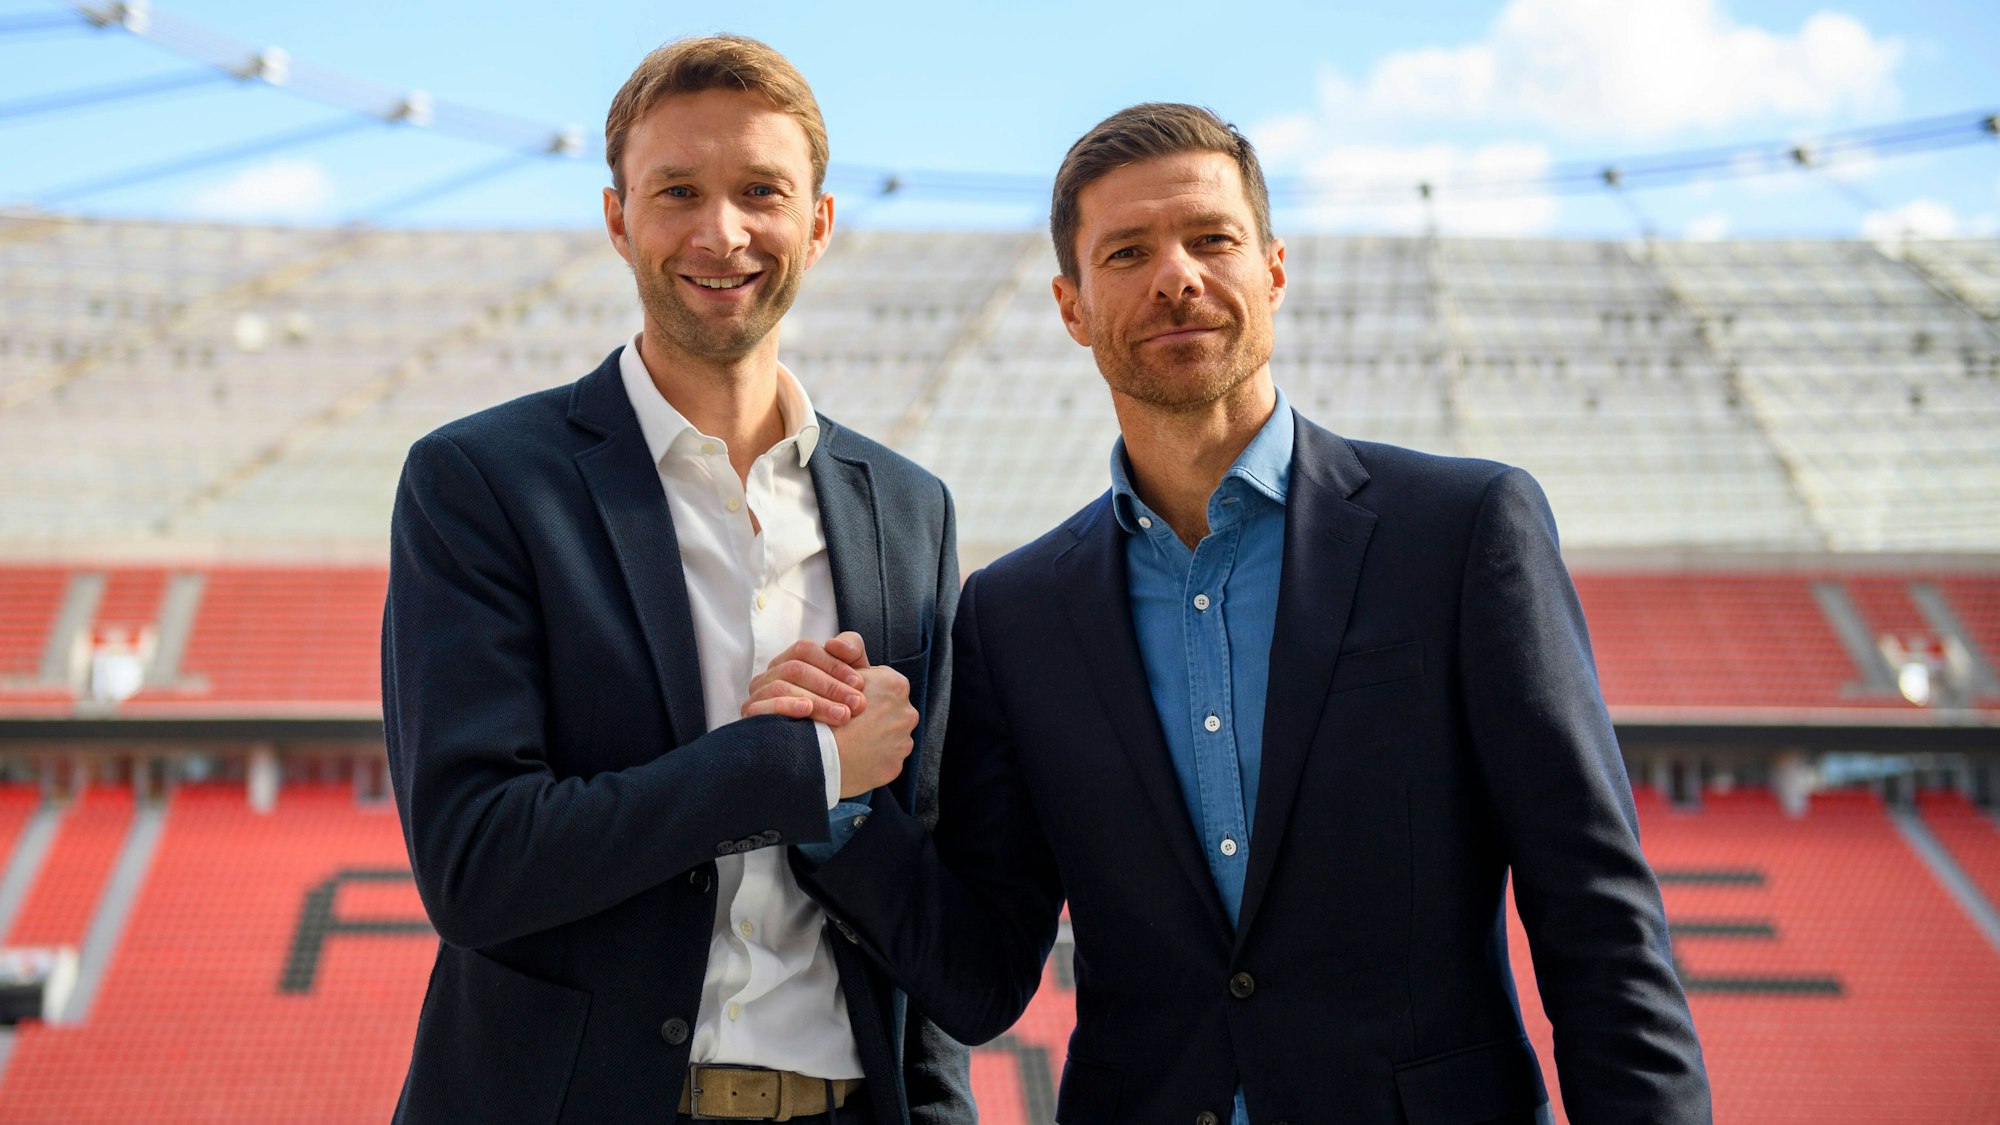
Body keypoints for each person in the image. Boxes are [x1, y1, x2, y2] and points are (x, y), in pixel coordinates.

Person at [770, 104, 1712, 1123]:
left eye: (1210, 239)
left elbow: (1596, 916)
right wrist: (833, 800)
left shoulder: (1459, 532)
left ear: (1271, 267)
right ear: (1071, 305)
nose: (1175, 274)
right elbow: (982, 977)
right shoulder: (1015, 614)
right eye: (1126, 251)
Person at [382, 35, 969, 1125]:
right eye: (677, 192)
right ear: (617, 219)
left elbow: (916, 916)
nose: (722, 231)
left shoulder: (907, 509)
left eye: (761, 191)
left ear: (818, 223)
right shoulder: (480, 483)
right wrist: (788, 766)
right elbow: (474, 865)